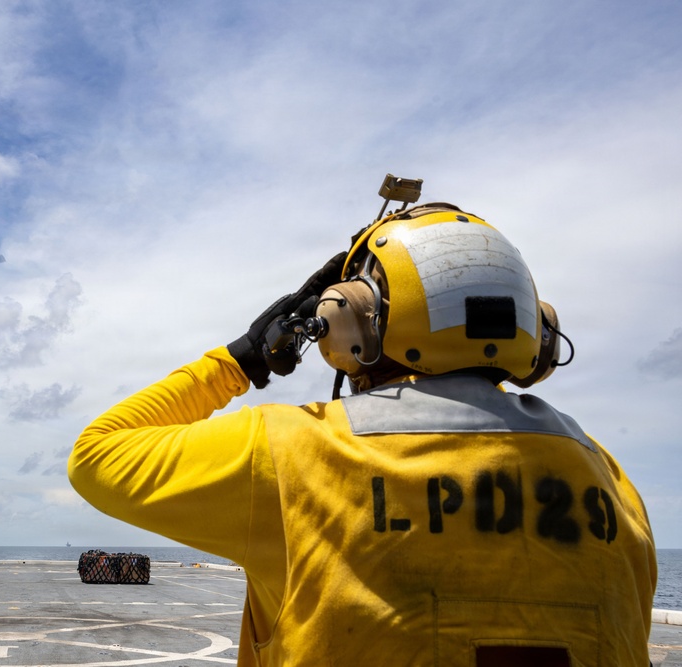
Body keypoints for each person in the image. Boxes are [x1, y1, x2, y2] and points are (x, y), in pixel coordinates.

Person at [68, 194, 657, 666]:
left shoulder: (293, 452)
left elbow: (96, 454)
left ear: (347, 317)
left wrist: (243, 358)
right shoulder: (609, 479)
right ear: (538, 334)